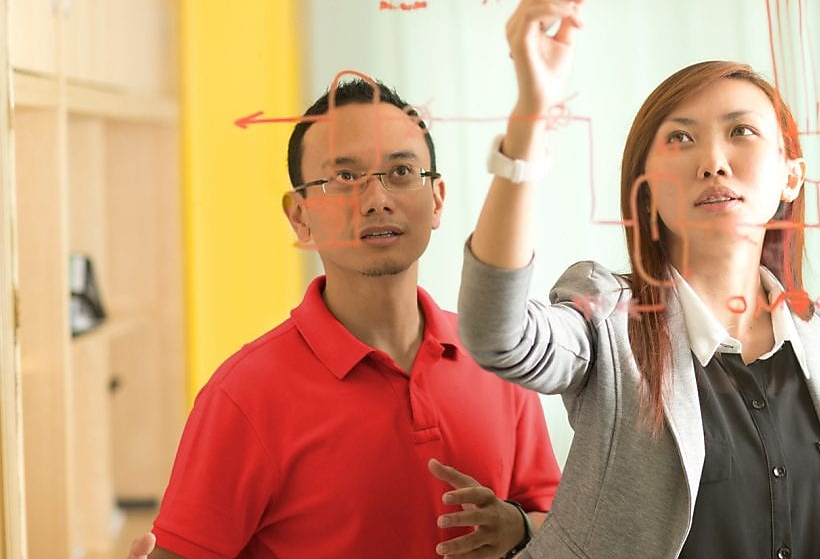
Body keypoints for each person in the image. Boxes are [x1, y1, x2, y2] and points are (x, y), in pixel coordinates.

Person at [454, 0, 820, 558]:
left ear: (791, 175)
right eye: (680, 139)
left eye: (741, 132)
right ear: (647, 191)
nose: (713, 162)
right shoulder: (608, 318)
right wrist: (532, 115)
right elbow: (498, 336)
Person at [126, 78, 561, 559]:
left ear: (436, 199)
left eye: (400, 171)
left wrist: (517, 525)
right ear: (300, 216)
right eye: (345, 178)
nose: (377, 199)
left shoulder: (497, 357)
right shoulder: (244, 395)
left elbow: (558, 524)